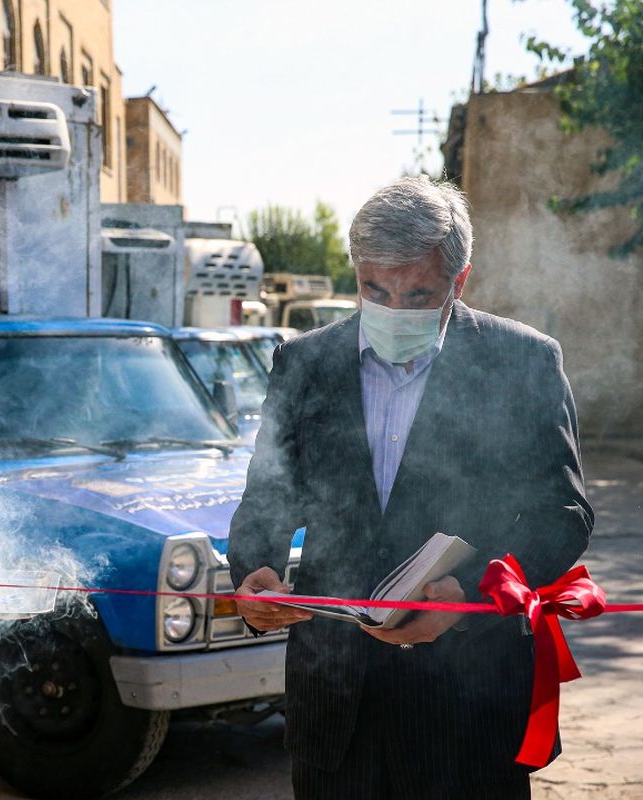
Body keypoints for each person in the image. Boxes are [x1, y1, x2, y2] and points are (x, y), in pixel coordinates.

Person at [229, 176, 593, 799]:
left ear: (461, 280)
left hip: (468, 716)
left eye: (418, 294)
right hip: (335, 710)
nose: (395, 310)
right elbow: (267, 494)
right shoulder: (307, 363)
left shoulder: (521, 363)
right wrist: (254, 570)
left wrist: (464, 597)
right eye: (376, 290)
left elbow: (561, 514)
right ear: (356, 274)